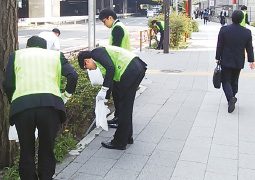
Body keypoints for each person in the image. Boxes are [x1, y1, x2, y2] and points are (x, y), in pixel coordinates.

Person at [2, 36, 78, 180]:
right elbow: (73, 75)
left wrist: (15, 100)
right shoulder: (55, 55)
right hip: (50, 106)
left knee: (26, 148)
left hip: (23, 106)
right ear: (44, 48)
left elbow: (9, 84)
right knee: (47, 147)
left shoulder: (16, 55)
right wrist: (65, 96)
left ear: (28, 47)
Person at [77, 45, 147, 150]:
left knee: (124, 108)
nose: (90, 70)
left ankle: (119, 142)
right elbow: (111, 78)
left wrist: (104, 90)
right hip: (134, 68)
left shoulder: (96, 53)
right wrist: (105, 96)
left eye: (87, 68)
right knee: (125, 107)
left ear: (86, 61)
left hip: (130, 70)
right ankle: (127, 137)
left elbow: (111, 68)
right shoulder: (100, 59)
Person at [215, 10, 255, 113]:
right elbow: (249, 48)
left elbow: (220, 45)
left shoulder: (224, 30)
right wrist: (251, 60)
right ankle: (233, 94)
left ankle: (230, 98)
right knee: (235, 79)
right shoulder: (246, 32)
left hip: (226, 59)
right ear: (242, 19)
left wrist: (217, 57)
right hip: (239, 60)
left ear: (231, 18)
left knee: (225, 80)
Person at [98, 9, 131, 128]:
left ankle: (119, 120)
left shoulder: (117, 28)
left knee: (119, 95)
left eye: (104, 21)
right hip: (123, 63)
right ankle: (118, 118)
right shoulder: (119, 26)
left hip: (121, 65)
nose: (104, 23)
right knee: (118, 95)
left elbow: (115, 48)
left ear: (110, 17)